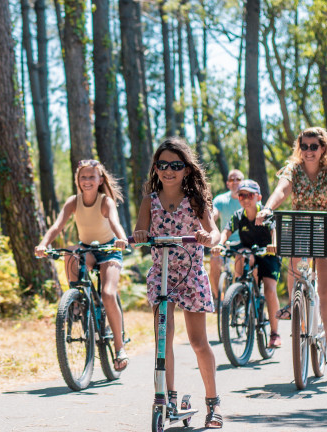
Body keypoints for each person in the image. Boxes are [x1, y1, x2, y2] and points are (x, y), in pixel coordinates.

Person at [133, 137, 223, 429]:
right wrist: (140, 235)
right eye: (163, 165)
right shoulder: (149, 201)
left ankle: (213, 404)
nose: (169, 170)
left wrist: (210, 238)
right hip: (162, 276)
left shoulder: (194, 201)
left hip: (191, 274)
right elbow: (140, 230)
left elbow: (215, 231)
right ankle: (167, 398)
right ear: (156, 168)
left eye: (176, 165)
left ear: (186, 169)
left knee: (198, 342)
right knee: (163, 338)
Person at [256, 127, 327, 369]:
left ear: (323, 148)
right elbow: (282, 189)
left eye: (314, 146)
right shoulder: (293, 169)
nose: (308, 151)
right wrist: (268, 208)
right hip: (303, 227)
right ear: (299, 148)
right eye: (304, 146)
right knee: (292, 254)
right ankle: (294, 303)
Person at [35, 159, 131, 371]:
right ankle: (76, 299)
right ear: (78, 180)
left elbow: (115, 222)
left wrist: (122, 239)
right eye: (83, 177)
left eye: (91, 177)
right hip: (87, 248)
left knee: (107, 294)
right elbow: (57, 226)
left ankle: (119, 347)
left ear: (100, 180)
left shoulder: (105, 201)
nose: (87, 181)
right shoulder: (73, 201)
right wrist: (43, 244)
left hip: (109, 250)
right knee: (70, 252)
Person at [212, 179, 282, 348]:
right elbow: (226, 232)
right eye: (241, 195)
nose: (245, 199)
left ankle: (275, 333)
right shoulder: (238, 216)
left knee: (271, 290)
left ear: (258, 197)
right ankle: (241, 293)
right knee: (241, 256)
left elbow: (274, 232)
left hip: (268, 254)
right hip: (249, 252)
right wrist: (219, 244)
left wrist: (274, 244)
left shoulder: (266, 214)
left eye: (249, 195)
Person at [210, 170, 245, 303]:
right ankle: (219, 299)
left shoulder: (247, 199)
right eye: (232, 180)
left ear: (243, 182)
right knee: (214, 260)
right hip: (225, 242)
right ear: (227, 184)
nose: (235, 182)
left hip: (243, 242)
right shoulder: (221, 199)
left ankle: (237, 295)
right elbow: (214, 213)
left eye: (238, 179)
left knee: (241, 260)